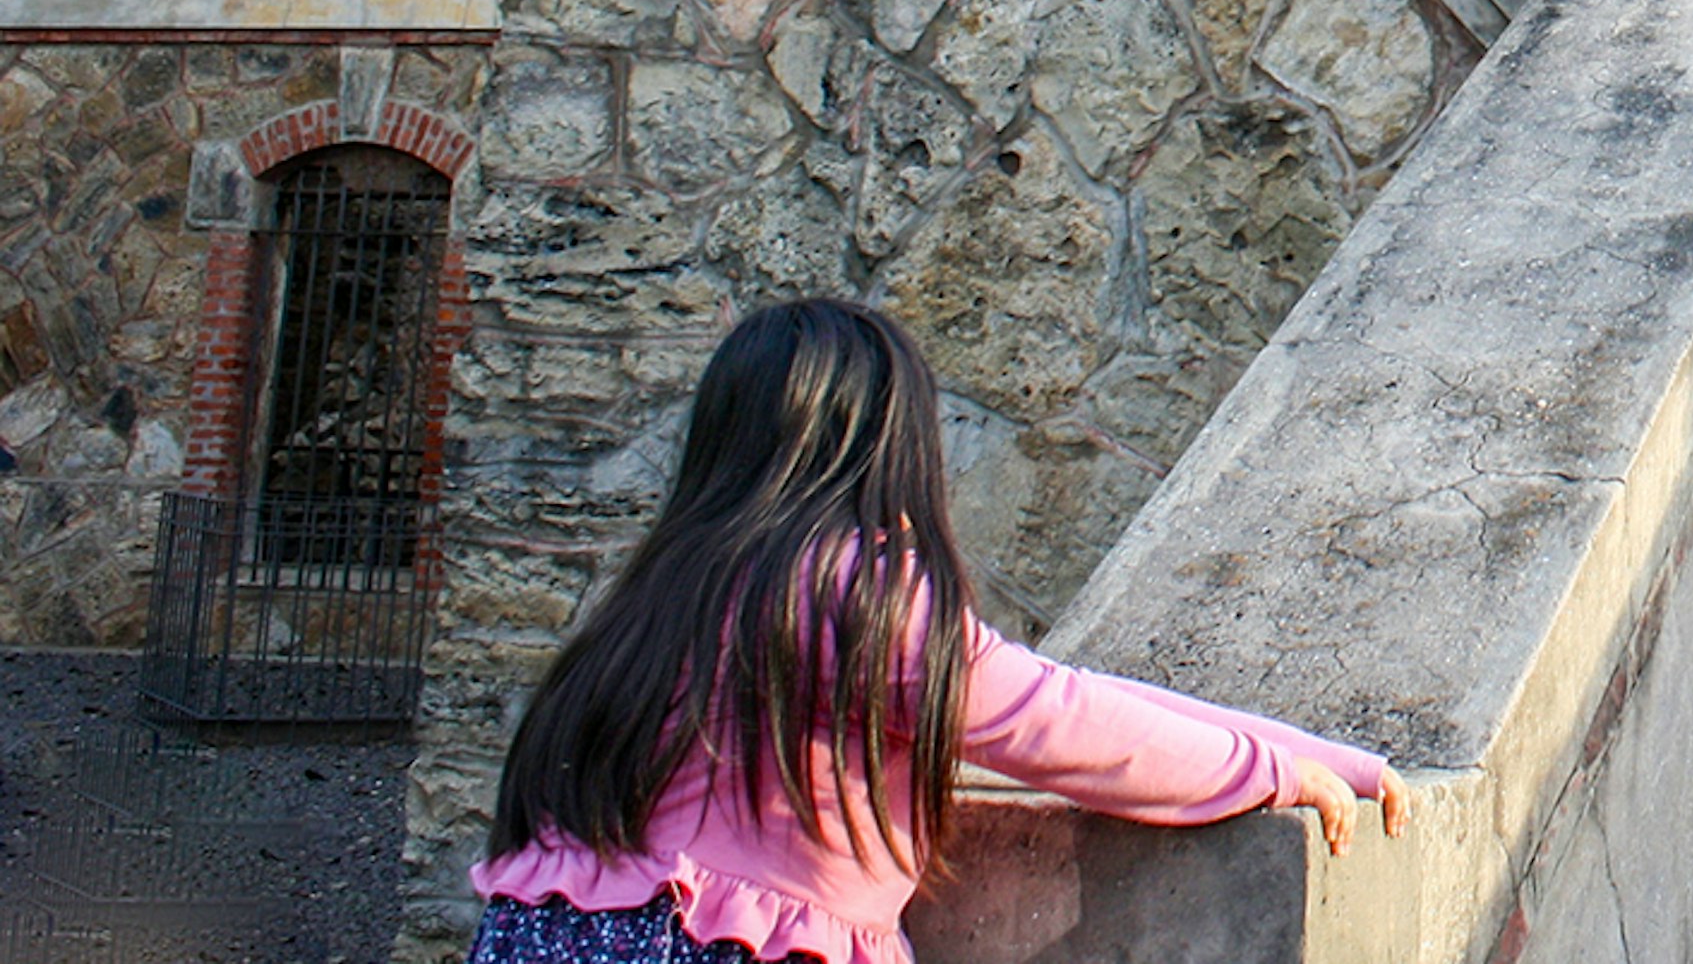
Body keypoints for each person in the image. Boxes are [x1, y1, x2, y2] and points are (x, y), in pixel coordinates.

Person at [470, 299, 1403, 964]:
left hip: (538, 938)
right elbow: (1058, 721)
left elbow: (1046, 686)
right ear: (889, 446)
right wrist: (1268, 771)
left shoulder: (659, 590)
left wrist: (1307, 752)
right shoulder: (849, 593)